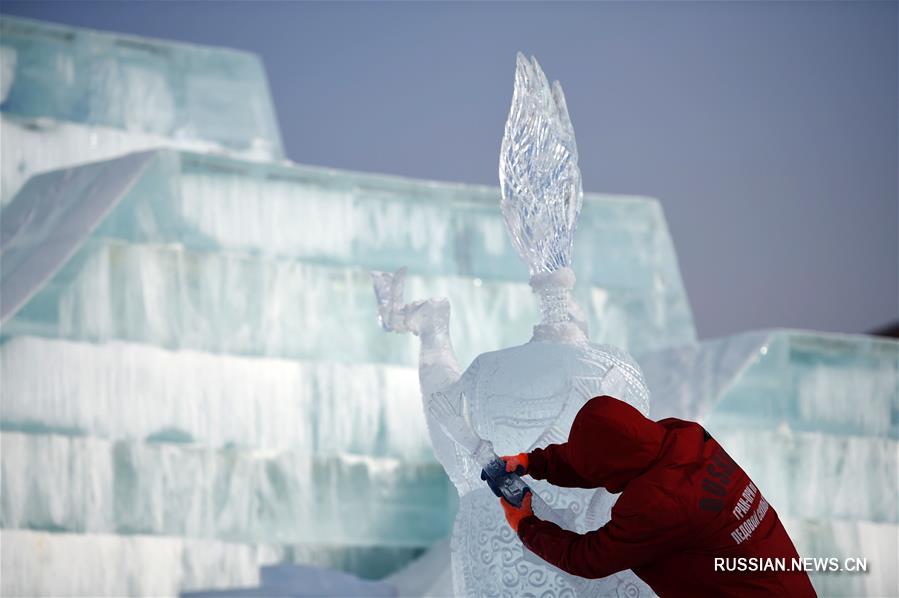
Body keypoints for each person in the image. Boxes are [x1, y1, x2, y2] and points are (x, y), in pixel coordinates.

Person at [499, 395, 817, 597]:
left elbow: (589, 557)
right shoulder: (682, 436)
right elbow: (611, 449)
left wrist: (526, 526)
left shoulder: (658, 503)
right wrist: (533, 462)